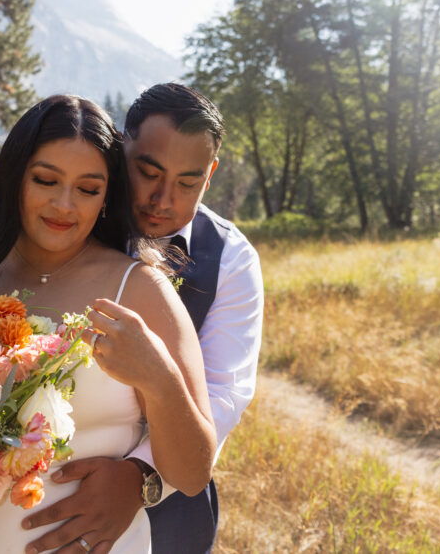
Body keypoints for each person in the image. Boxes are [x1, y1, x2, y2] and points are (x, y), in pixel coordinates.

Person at [0, 95, 216, 553]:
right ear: (14, 177)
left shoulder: (139, 291)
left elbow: (192, 474)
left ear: (106, 197)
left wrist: (160, 378)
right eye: (46, 180)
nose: (64, 204)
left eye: (89, 189)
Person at [21, 83, 264, 554]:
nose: (162, 198)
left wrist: (139, 480)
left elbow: (222, 395)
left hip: (170, 506)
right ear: (119, 148)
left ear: (210, 176)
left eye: (188, 183)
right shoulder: (69, 216)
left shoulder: (230, 260)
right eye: (147, 172)